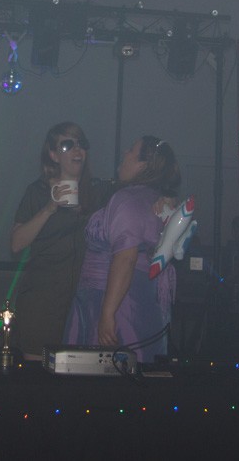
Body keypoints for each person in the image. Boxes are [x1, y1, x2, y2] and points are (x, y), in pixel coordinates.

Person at [64, 135, 182, 363]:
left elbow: (126, 259)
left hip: (115, 300)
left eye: (131, 151)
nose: (125, 154)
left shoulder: (128, 199)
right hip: (137, 299)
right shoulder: (154, 198)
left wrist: (107, 314)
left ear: (144, 165)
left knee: (109, 368)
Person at [10, 122, 114, 361]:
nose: (77, 150)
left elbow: (133, 192)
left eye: (81, 144)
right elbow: (16, 243)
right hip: (42, 300)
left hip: (84, 302)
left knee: (79, 372)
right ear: (53, 155)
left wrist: (165, 198)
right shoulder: (37, 192)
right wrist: (49, 207)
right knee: (38, 372)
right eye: (68, 145)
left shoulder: (98, 191)